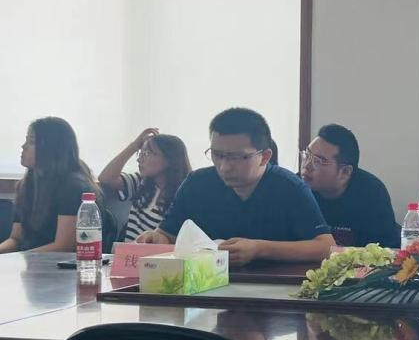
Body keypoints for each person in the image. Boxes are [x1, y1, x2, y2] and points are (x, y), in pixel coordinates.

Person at [136, 108, 334, 265]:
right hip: (205, 288)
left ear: (265, 157)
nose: (224, 166)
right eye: (217, 155)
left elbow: (326, 247)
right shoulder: (196, 184)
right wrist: (155, 239)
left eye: (237, 157)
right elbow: (167, 234)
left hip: (274, 289)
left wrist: (260, 249)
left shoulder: (289, 187)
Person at [0, 117, 103, 254]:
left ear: (51, 148)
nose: (23, 146)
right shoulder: (27, 184)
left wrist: (18, 258)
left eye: (32, 142)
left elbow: (63, 246)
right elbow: (16, 239)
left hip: (57, 264)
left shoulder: (73, 186)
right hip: (31, 260)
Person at [300, 124, 398, 247]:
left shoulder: (372, 193)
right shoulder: (295, 188)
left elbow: (383, 249)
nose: (307, 165)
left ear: (345, 172)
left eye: (318, 161)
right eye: (307, 155)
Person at [99, 129, 192, 243]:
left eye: (147, 153)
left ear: (169, 160)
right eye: (140, 153)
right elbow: (105, 178)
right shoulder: (141, 182)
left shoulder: (183, 195)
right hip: (127, 252)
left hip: (155, 254)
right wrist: (134, 146)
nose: (139, 159)